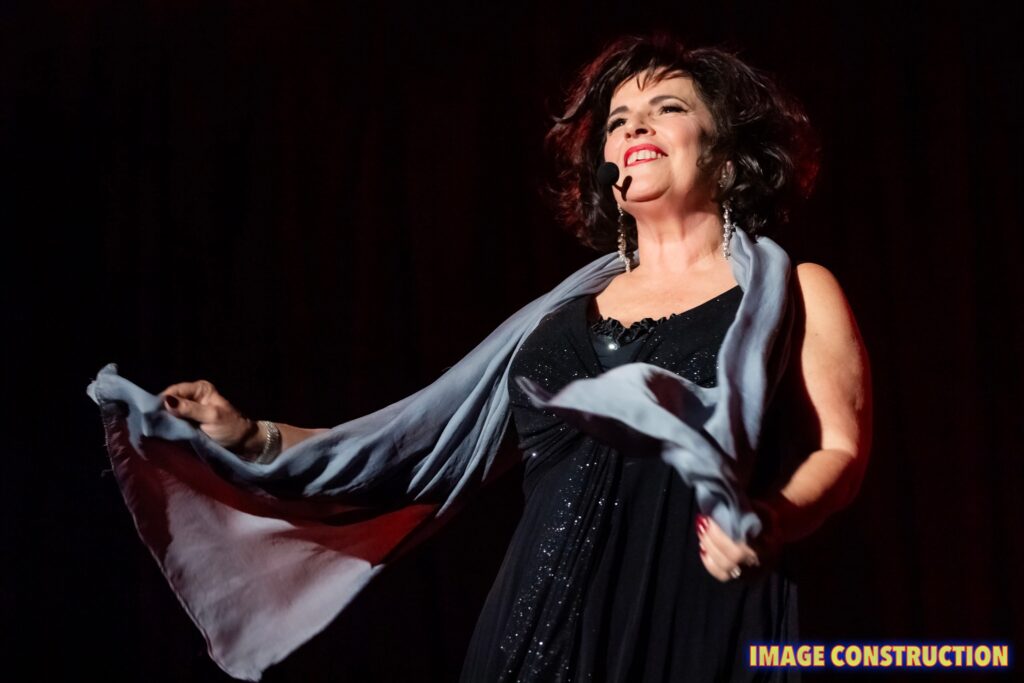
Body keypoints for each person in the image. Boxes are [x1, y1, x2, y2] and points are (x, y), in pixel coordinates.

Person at [147, 34, 872, 682]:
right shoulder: (555, 324)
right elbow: (408, 449)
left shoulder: (796, 292)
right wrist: (253, 437)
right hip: (534, 630)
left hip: (694, 620)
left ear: (729, 152)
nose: (634, 128)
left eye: (668, 109)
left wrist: (771, 519)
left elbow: (839, 450)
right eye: (618, 121)